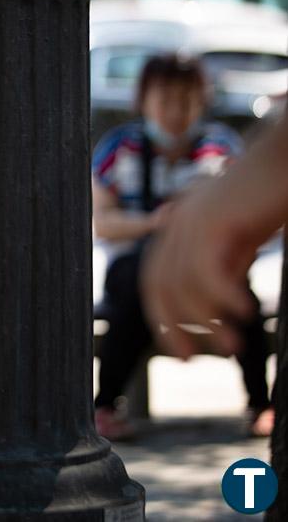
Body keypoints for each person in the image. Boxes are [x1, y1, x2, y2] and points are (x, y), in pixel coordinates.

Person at [90, 54, 273, 440]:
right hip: (132, 268)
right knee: (134, 297)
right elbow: (101, 221)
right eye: (165, 99)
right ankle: (104, 406)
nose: (176, 111)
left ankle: (261, 403)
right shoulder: (117, 148)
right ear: (144, 100)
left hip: (210, 268)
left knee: (244, 305)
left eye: (186, 99)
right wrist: (155, 225)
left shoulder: (221, 148)